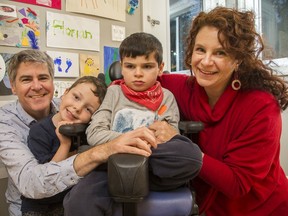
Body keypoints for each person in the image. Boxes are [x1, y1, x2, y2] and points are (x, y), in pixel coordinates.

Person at [149, 6, 288, 216]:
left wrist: (185, 149)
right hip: (204, 205)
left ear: (238, 59)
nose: (205, 61)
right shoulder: (183, 88)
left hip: (261, 208)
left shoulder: (261, 106)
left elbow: (238, 184)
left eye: (220, 52)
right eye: (200, 49)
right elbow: (138, 83)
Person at [0, 49, 159, 216]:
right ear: (13, 86)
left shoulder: (68, 107)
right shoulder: (5, 122)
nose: (37, 86)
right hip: (34, 207)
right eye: (26, 79)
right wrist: (100, 151)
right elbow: (33, 184)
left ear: (54, 84)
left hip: (73, 200)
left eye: (43, 78)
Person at [63, 32, 203, 216]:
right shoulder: (113, 93)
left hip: (150, 164)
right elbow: (95, 132)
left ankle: (132, 176)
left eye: (147, 66)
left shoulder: (167, 97)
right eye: (130, 66)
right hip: (110, 165)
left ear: (160, 68)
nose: (138, 73)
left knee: (192, 156)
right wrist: (129, 140)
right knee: (77, 202)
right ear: (122, 66)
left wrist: (147, 144)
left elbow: (169, 137)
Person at [21, 76, 107, 216]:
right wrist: (65, 144)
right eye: (76, 97)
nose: (77, 108)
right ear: (65, 93)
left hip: (67, 203)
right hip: (39, 207)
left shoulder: (88, 133)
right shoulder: (39, 131)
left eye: (88, 109)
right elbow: (48, 179)